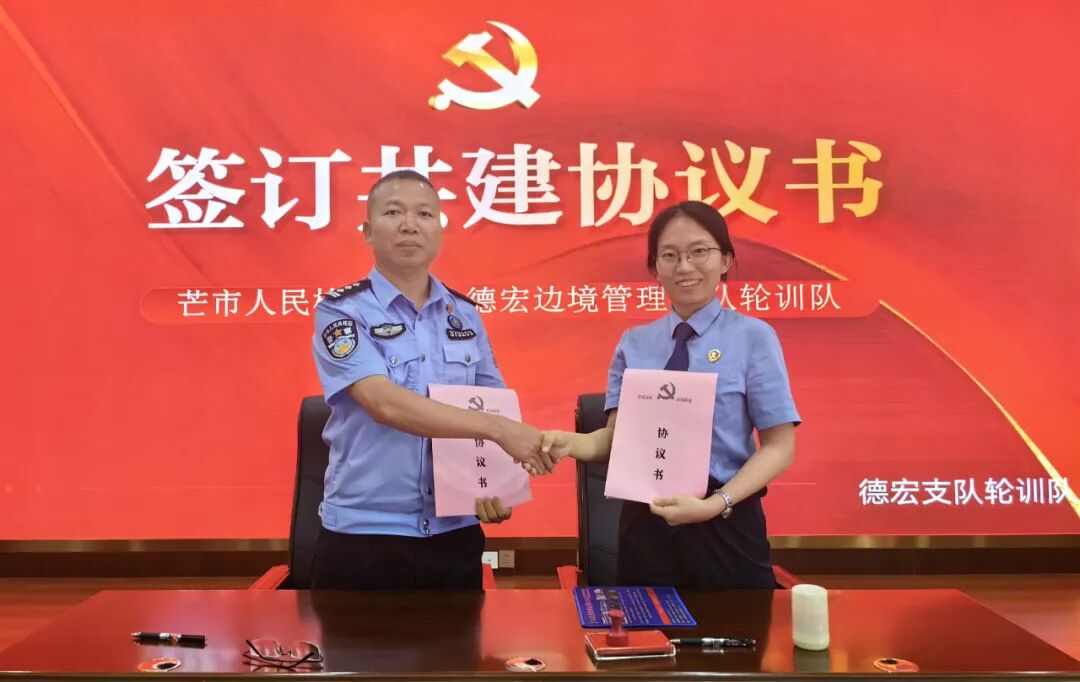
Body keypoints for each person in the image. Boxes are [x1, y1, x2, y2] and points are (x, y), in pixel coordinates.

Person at [310, 170, 555, 590]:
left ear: (440, 231)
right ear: (367, 231)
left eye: (424, 214)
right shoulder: (341, 311)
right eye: (393, 212)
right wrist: (500, 430)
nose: (409, 225)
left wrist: (495, 486)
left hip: (453, 533)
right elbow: (383, 402)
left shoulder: (465, 315)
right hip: (364, 536)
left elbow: (490, 401)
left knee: (461, 638)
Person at [540, 201, 800, 588]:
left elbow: (779, 446)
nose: (685, 266)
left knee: (737, 626)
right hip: (646, 524)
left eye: (699, 251)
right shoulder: (634, 343)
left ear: (725, 260)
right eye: (670, 255)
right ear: (655, 268)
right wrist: (569, 443)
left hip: (724, 520)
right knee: (647, 625)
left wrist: (715, 504)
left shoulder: (753, 337)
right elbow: (616, 439)